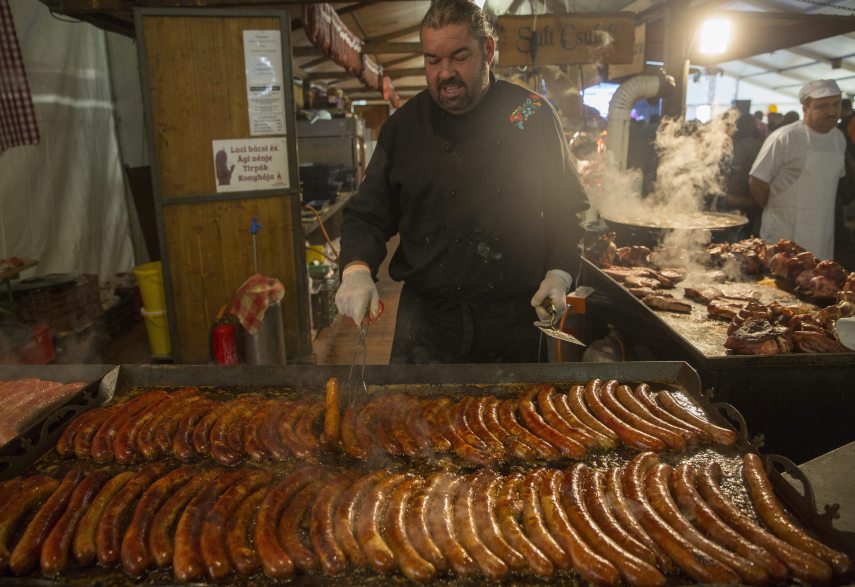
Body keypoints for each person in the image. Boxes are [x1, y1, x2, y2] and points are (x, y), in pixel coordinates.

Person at [334, 0, 588, 364]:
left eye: (459, 56)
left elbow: (568, 209)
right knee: (410, 419)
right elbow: (368, 214)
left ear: (488, 50)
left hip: (512, 320)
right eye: (432, 60)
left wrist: (560, 273)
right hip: (425, 323)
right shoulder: (404, 127)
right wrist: (356, 270)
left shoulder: (530, 114)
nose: (445, 72)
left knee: (511, 421)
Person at [749, 79, 846, 260]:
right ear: (805, 108)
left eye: (836, 104)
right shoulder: (785, 137)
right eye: (822, 106)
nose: (832, 112)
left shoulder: (838, 139)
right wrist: (777, 209)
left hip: (822, 232)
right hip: (785, 232)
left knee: (819, 279)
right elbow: (757, 181)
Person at [725, 112, 764, 236]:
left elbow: (726, 174)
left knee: (731, 238)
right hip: (755, 202)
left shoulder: (734, 146)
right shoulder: (762, 145)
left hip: (733, 200)